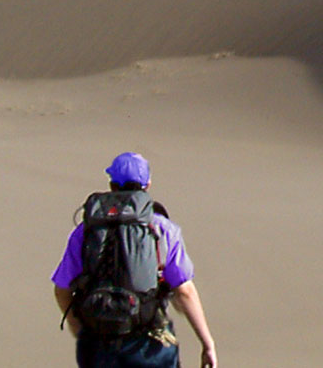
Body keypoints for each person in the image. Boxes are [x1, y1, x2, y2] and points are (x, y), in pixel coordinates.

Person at [53, 153, 219, 368]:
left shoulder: (85, 230)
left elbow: (61, 290)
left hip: (97, 345)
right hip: (148, 344)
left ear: (111, 185)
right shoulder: (163, 229)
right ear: (147, 185)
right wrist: (208, 344)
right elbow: (184, 291)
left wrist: (81, 333)